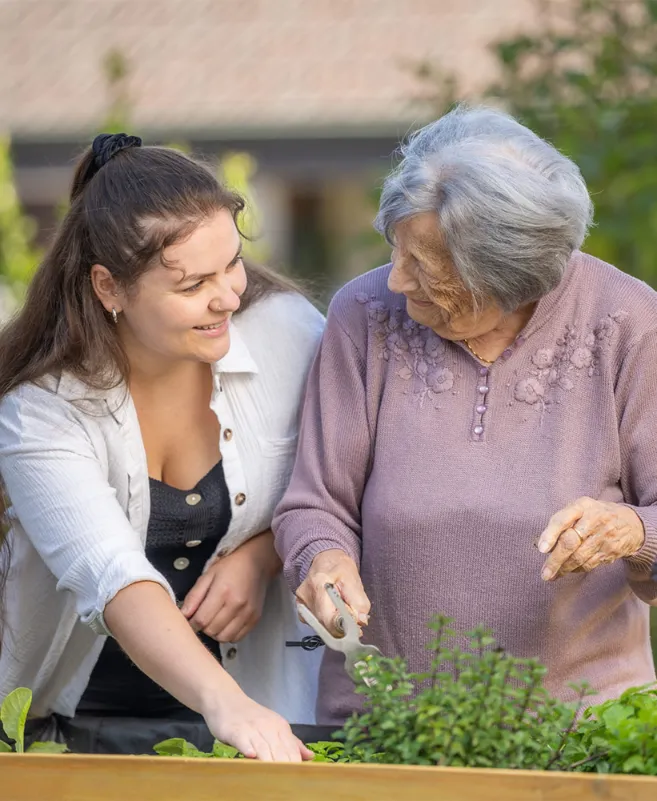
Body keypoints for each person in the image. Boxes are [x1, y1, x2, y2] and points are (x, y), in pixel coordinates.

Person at [273, 105, 657, 726]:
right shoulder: (362, 314)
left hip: (576, 736)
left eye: (423, 265)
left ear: (509, 274)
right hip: (382, 725)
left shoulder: (631, 325)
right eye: (396, 252)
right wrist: (323, 556)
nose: (396, 281)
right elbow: (314, 503)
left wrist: (633, 531)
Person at [0, 133, 324, 760]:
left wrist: (263, 555)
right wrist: (226, 703)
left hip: (266, 713)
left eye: (232, 262)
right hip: (67, 726)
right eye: (192, 284)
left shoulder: (291, 333)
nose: (229, 295)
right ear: (109, 288)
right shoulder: (41, 410)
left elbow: (337, 482)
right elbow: (113, 575)